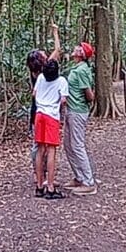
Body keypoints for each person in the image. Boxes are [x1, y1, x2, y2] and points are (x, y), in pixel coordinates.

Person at [33, 58, 68, 199]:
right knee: (51, 150)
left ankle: (39, 186)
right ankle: (51, 187)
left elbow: (34, 93)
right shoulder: (61, 81)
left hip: (39, 115)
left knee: (40, 149)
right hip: (51, 117)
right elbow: (63, 100)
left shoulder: (41, 77)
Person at [65, 41, 96, 195]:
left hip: (78, 111)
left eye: (79, 48)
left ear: (82, 54)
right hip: (70, 110)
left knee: (77, 146)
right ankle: (79, 177)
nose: (75, 48)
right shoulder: (76, 68)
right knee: (68, 146)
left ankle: (89, 182)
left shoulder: (82, 70)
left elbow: (89, 95)